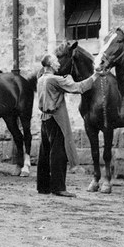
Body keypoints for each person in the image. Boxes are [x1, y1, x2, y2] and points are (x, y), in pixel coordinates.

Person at [38, 54, 98, 197]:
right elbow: (78, 87)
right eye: (56, 61)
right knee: (58, 152)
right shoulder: (54, 79)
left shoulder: (41, 79)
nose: (58, 63)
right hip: (56, 119)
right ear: (51, 65)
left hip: (45, 119)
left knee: (44, 152)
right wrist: (95, 76)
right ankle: (58, 188)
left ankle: (43, 186)